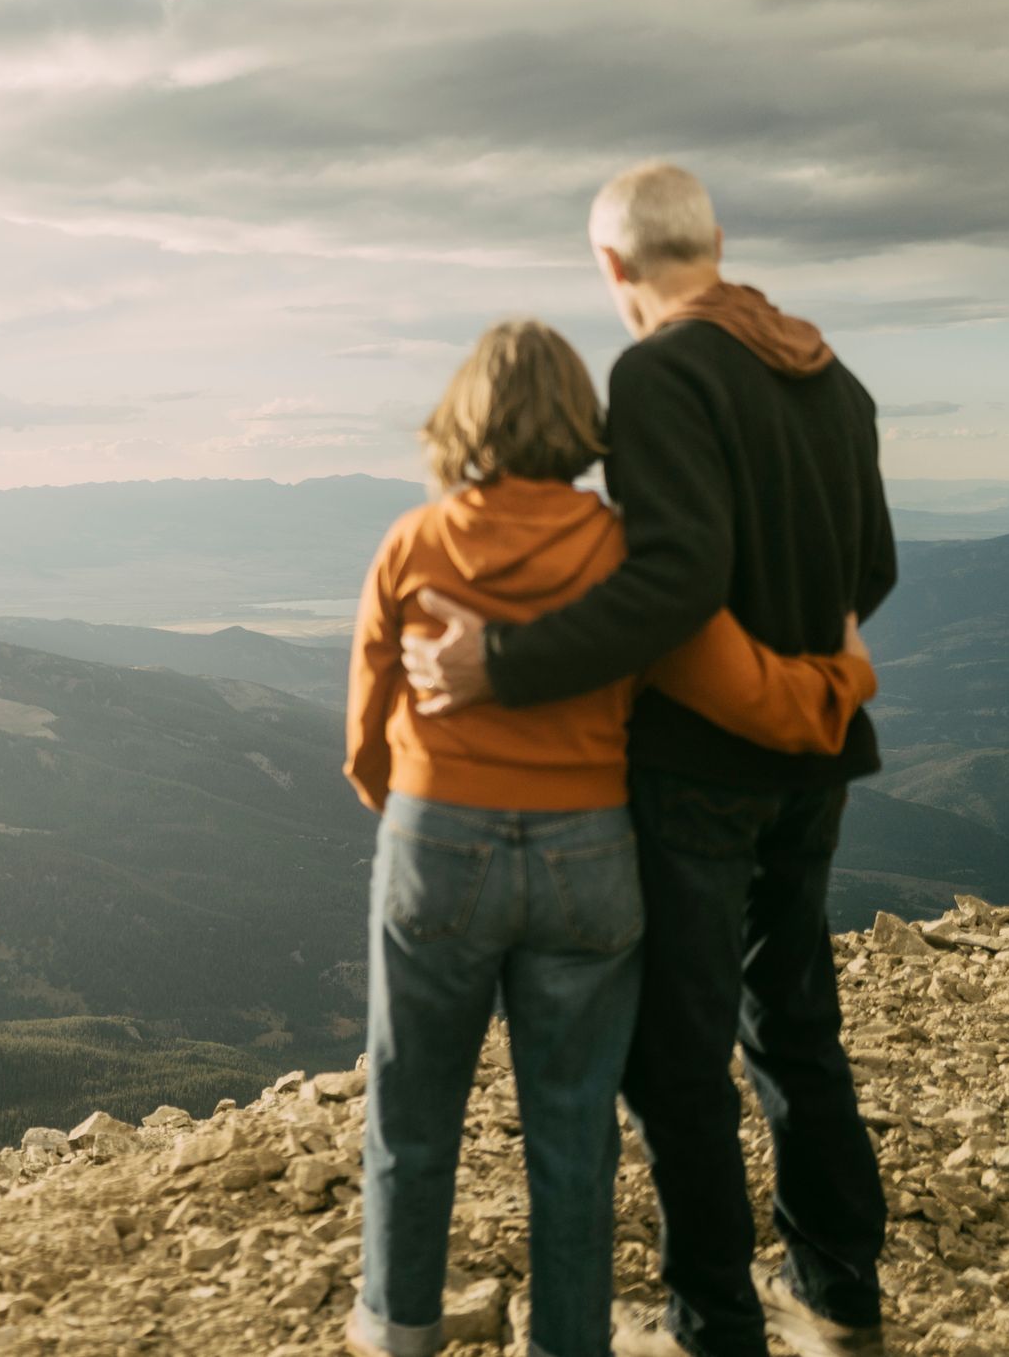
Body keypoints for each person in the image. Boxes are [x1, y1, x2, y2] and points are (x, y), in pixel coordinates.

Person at [401, 163, 896, 1357]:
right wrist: (805, 670)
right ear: (715, 241)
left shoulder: (661, 371)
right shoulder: (834, 377)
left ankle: (712, 1321)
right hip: (812, 757)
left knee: (676, 1058)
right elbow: (869, 570)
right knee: (792, 1023)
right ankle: (837, 1294)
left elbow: (673, 582)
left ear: (613, 269)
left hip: (700, 776)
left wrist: (500, 665)